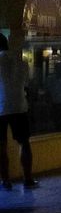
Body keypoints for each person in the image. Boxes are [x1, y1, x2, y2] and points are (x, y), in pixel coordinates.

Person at [0, 34, 37, 190]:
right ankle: (27, 179)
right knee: (24, 142)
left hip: (0, 107)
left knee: (1, 145)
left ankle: (5, 181)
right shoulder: (21, 62)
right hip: (19, 106)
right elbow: (27, 84)